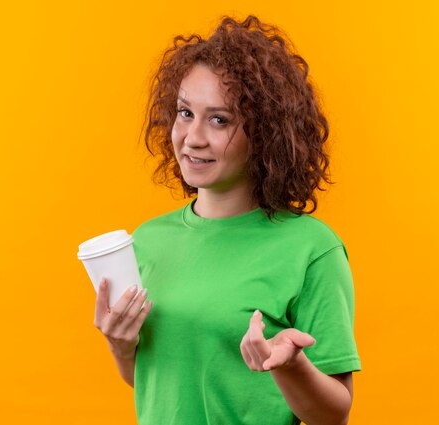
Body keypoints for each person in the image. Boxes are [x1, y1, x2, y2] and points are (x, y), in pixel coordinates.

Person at [93, 15, 361, 425]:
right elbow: (156, 381)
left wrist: (291, 367)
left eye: (219, 119)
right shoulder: (147, 241)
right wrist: (121, 346)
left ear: (267, 133)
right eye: (185, 113)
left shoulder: (312, 250)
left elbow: (333, 415)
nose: (193, 137)